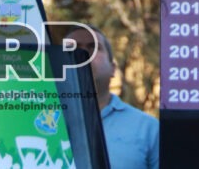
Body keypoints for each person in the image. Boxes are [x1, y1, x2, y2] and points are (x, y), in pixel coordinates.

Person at [67, 24, 159, 169]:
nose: (82, 54)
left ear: (113, 68)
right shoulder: (33, 122)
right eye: (72, 48)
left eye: (93, 47)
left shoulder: (149, 129)